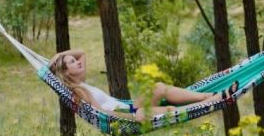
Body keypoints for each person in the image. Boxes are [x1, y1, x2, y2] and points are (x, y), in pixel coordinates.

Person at [48, 49, 237, 123]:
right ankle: (212, 100)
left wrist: (59, 57)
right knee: (170, 110)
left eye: (75, 61)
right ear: (66, 72)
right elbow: (101, 115)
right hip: (129, 115)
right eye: (72, 63)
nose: (78, 62)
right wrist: (128, 118)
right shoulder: (79, 91)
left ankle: (206, 96)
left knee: (159, 87)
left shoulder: (81, 82)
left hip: (131, 106)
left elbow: (81, 54)